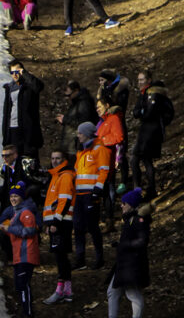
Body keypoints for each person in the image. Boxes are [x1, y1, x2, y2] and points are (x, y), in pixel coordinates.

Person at [95, 188, 150, 318]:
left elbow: (142, 241)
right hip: (123, 264)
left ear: (131, 205)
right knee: (112, 291)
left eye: (124, 203)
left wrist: (124, 245)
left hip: (133, 264)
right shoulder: (130, 219)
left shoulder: (139, 220)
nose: (121, 206)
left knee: (133, 293)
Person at [0, 181, 40, 318]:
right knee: (20, 285)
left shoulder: (26, 213)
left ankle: (28, 316)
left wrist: (9, 229)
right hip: (19, 255)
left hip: (26, 254)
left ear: (22, 197)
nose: (13, 199)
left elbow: (30, 231)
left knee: (23, 285)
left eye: (16, 196)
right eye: (12, 196)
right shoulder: (16, 213)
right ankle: (24, 312)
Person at [131, 68, 174, 199]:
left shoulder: (153, 93)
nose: (139, 83)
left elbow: (149, 112)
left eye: (142, 80)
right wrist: (142, 112)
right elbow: (136, 112)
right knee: (139, 159)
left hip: (151, 131)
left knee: (143, 159)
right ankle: (142, 188)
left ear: (148, 80)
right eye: (138, 80)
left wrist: (143, 112)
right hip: (146, 130)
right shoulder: (144, 93)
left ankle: (148, 189)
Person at [73, 121, 110, 269]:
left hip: (90, 194)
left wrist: (97, 190)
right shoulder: (81, 151)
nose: (78, 136)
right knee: (78, 227)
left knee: (92, 227)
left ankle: (99, 258)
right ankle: (80, 259)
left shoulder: (99, 150)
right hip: (80, 194)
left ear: (87, 134)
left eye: (80, 133)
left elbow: (104, 170)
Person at [42, 150, 76, 304]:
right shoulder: (56, 176)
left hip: (61, 223)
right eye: (53, 158)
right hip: (57, 222)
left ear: (64, 160)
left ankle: (61, 290)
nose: (54, 161)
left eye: (58, 158)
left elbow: (65, 200)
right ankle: (66, 290)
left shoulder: (65, 176)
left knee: (61, 257)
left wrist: (55, 222)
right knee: (60, 256)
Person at [1, 59, 44, 160]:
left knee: (29, 159)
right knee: (15, 160)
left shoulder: (29, 86)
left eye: (17, 72)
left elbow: (39, 86)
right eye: (12, 72)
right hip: (12, 129)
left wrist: (25, 74)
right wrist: (5, 135)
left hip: (27, 130)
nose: (14, 75)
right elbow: (6, 113)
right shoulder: (9, 88)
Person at [95, 97, 125, 229]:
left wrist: (102, 140)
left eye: (99, 107)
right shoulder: (103, 121)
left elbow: (119, 137)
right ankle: (104, 219)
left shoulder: (113, 119)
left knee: (107, 190)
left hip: (108, 161)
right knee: (103, 190)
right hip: (99, 161)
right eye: (96, 107)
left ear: (107, 105)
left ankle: (109, 220)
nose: (97, 109)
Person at [56, 80, 97, 156]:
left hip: (75, 146)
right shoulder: (76, 103)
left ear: (76, 91)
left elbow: (83, 123)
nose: (68, 98)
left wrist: (66, 120)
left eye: (69, 95)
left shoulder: (83, 103)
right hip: (71, 144)